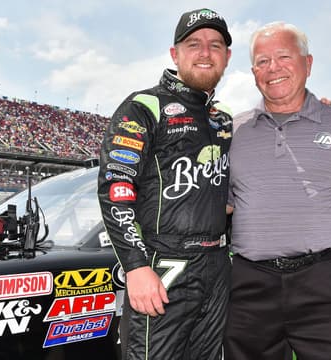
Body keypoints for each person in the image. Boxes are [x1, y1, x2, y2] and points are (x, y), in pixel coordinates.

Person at [224, 21, 331, 360]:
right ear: (253, 71)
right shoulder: (231, 132)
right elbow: (223, 204)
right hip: (250, 284)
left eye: (284, 56)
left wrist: (325, 225)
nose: (273, 68)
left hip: (325, 281)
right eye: (262, 61)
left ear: (308, 64)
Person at [97, 8, 233, 360]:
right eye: (194, 44)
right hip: (164, 265)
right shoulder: (143, 106)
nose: (205, 52)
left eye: (215, 45)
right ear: (175, 54)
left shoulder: (224, 121)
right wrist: (136, 266)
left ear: (227, 57)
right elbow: (116, 189)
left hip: (217, 265)